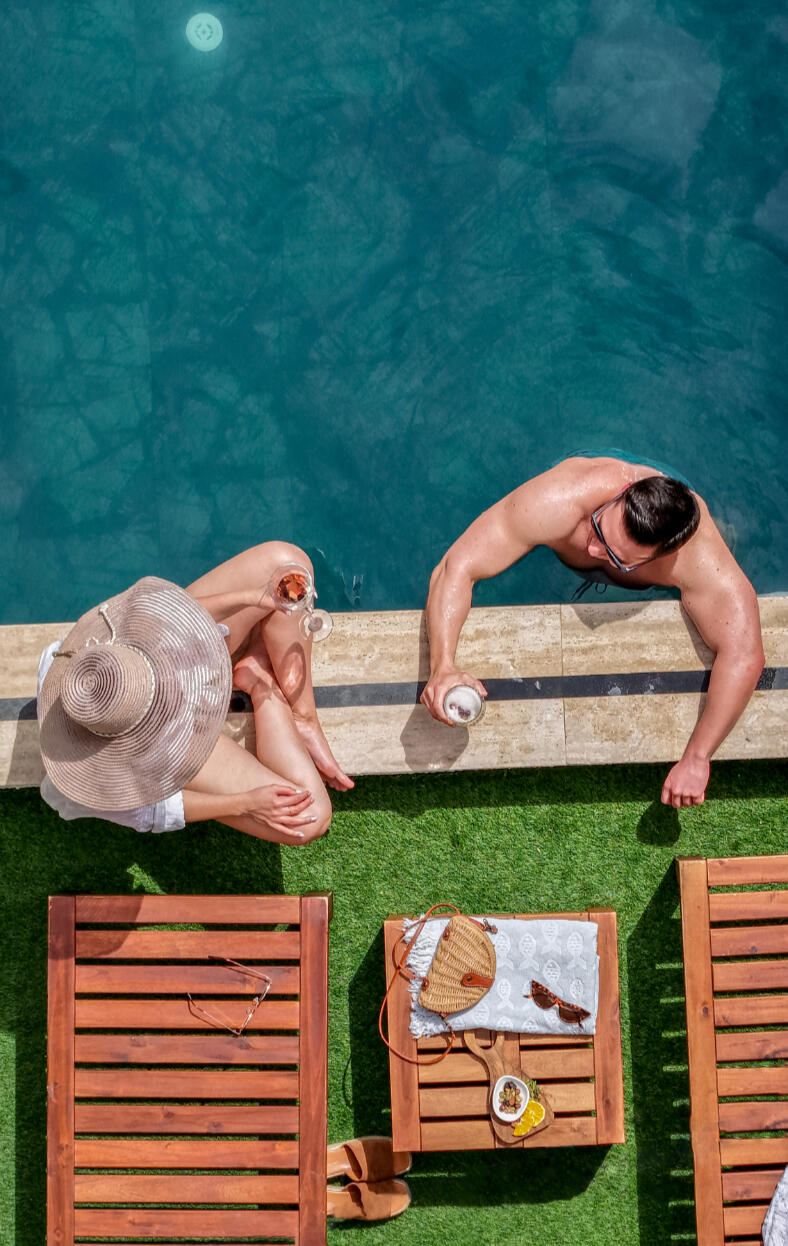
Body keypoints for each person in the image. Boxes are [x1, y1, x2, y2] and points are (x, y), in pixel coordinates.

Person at [421, 455, 764, 807]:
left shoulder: (697, 560)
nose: (592, 548)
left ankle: (728, 529)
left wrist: (697, 757)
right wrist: (442, 665)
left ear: (664, 557)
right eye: (599, 527)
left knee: (729, 539)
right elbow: (455, 567)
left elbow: (744, 655)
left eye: (614, 556)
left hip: (682, 552)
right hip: (567, 526)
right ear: (623, 493)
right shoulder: (561, 500)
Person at [37, 541, 353, 843]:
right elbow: (158, 811)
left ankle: (303, 716)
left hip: (170, 655)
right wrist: (244, 803)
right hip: (175, 747)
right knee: (311, 817)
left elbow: (173, 610)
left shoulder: (96, 663)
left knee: (288, 568)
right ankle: (259, 682)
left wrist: (252, 598)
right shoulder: (89, 779)